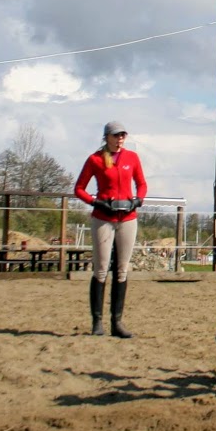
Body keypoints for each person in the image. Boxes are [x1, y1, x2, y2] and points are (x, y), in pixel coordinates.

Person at [74, 121, 147, 337]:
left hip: (127, 218)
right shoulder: (95, 160)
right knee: (101, 268)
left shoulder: (132, 158)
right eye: (116, 136)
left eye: (122, 135)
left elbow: (141, 184)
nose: (120, 139)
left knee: (122, 269)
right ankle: (97, 321)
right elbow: (79, 188)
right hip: (103, 217)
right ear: (107, 137)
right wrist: (95, 202)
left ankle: (117, 321)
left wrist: (138, 200)